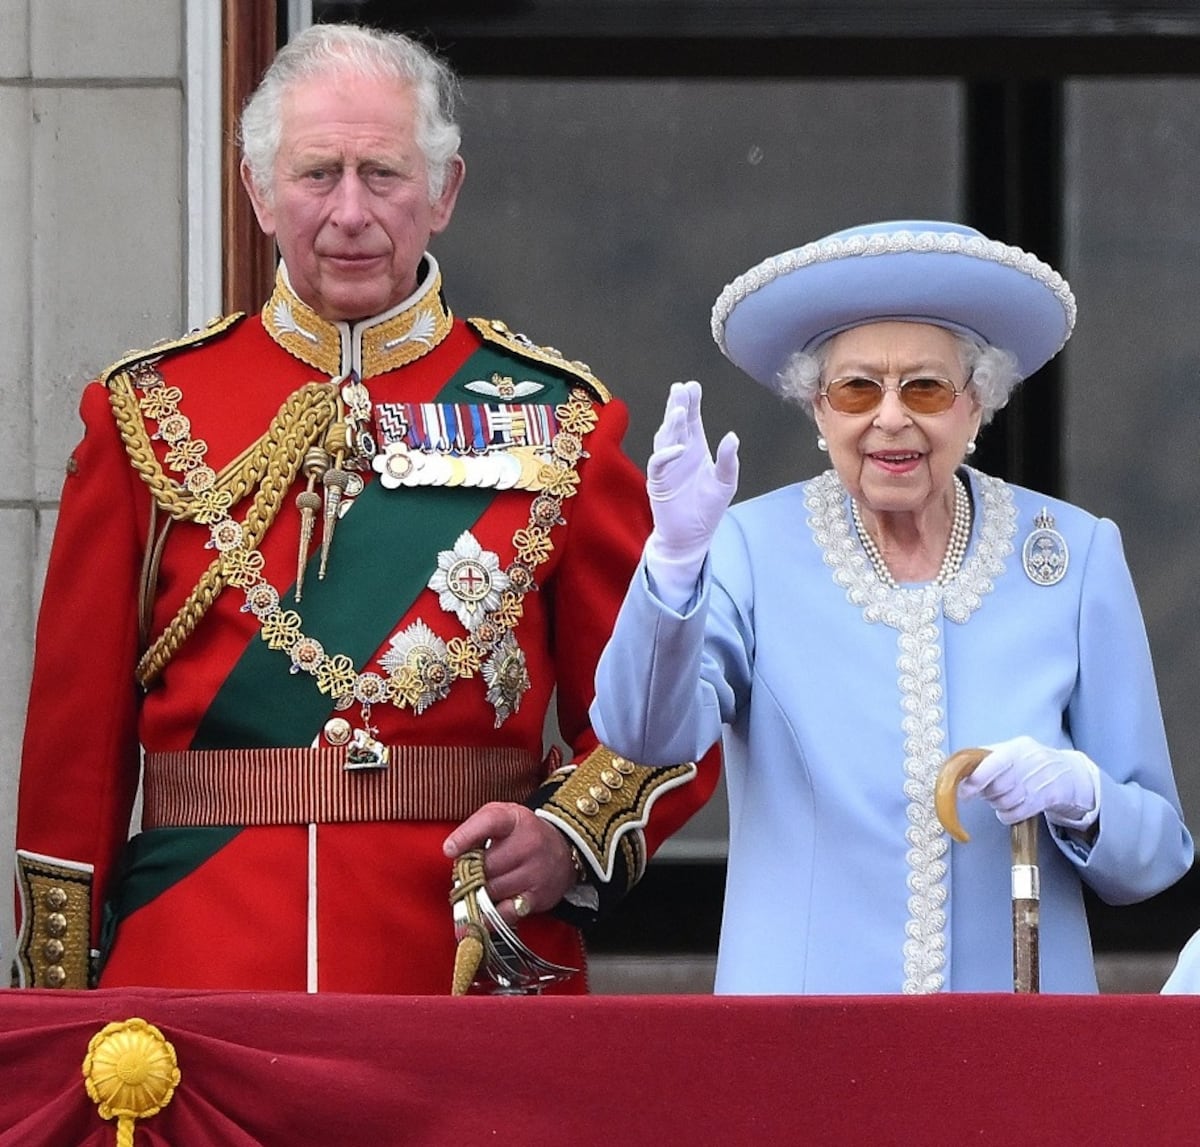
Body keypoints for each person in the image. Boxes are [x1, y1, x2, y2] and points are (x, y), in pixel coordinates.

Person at [11, 22, 716, 994]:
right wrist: (57, 1007)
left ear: (444, 193)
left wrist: (566, 836)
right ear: (258, 191)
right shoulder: (148, 410)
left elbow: (665, 714)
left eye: (382, 174)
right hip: (196, 973)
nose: (350, 212)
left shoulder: (561, 423)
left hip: (464, 973)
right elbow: (71, 760)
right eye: (316, 174)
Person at [591, 218, 1193, 995]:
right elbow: (644, 736)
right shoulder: (748, 549)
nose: (891, 417)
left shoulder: (1073, 556)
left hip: (1016, 1046)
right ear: (818, 409)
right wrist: (673, 564)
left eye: (927, 387)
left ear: (977, 404)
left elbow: (1154, 858)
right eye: (856, 388)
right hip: (806, 1044)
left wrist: (1083, 795)